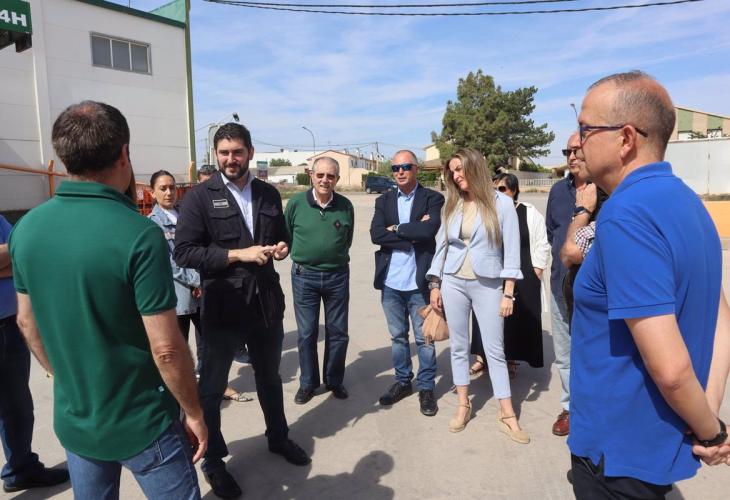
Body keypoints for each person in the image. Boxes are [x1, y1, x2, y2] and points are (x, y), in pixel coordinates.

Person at [9, 101, 206, 498]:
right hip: (143, 422)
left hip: (77, 420)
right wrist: (194, 412)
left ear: (64, 156)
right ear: (123, 154)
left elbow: (26, 323)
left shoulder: (26, 228)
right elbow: (166, 348)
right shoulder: (138, 234)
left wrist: (65, 376)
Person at [569, 71, 727, 497]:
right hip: (650, 452)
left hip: (617, 457)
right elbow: (721, 318)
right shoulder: (689, 203)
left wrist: (711, 432)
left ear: (625, 138)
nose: (577, 142)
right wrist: (708, 415)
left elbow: (671, 371)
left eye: (585, 129)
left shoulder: (625, 216)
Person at [174, 122, 309, 499]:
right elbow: (184, 252)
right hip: (223, 306)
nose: (230, 159)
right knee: (212, 388)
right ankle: (214, 462)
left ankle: (278, 437)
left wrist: (281, 247)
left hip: (265, 304)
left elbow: (281, 234)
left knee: (270, 378)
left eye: (237, 152)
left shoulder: (268, 193)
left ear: (250, 152)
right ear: (216, 155)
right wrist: (237, 255)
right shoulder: (200, 197)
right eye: (224, 153)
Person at [427, 148, 528, 443]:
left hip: (489, 283)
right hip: (453, 281)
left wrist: (508, 293)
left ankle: (507, 413)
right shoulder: (453, 204)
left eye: (460, 169)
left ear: (474, 167)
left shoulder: (502, 203)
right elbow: (442, 246)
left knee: (494, 350)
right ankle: (463, 404)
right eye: (453, 172)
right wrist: (435, 284)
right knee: (459, 347)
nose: (456, 176)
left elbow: (512, 252)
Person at [370, 150, 444, 417]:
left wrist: (397, 228)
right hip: (391, 283)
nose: (400, 172)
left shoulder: (432, 198)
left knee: (425, 340)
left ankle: (426, 387)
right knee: (398, 337)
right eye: (395, 168)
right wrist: (412, 234)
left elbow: (429, 230)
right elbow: (375, 234)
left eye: (405, 167)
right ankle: (403, 381)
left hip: (418, 284)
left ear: (416, 169)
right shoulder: (384, 200)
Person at [0, 216, 69, 494]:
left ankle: (21, 469)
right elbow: (22, 251)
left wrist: (14, 259)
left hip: (10, 326)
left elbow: (26, 255)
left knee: (17, 407)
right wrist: (16, 255)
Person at [285, 157, 354, 404]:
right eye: (321, 175)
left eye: (331, 176)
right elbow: (287, 234)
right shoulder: (295, 203)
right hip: (305, 277)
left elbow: (346, 240)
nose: (325, 180)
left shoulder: (345, 206)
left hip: (337, 276)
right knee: (306, 334)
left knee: (338, 332)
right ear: (311, 175)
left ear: (337, 179)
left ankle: (334, 380)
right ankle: (308, 383)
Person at [471, 173, 550, 379]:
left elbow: (542, 242)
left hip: (522, 272)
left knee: (515, 318)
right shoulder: (487, 212)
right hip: (492, 272)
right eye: (494, 189)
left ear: (514, 191)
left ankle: (511, 359)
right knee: (486, 315)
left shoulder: (529, 212)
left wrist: (537, 268)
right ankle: (483, 357)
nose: (497, 193)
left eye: (502, 189)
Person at [544, 132, 591, 437]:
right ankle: (570, 408)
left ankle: (592, 410)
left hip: (592, 290)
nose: (572, 156)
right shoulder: (558, 191)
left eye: (578, 150)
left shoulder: (605, 191)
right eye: (568, 151)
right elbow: (552, 232)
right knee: (564, 354)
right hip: (559, 283)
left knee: (592, 353)